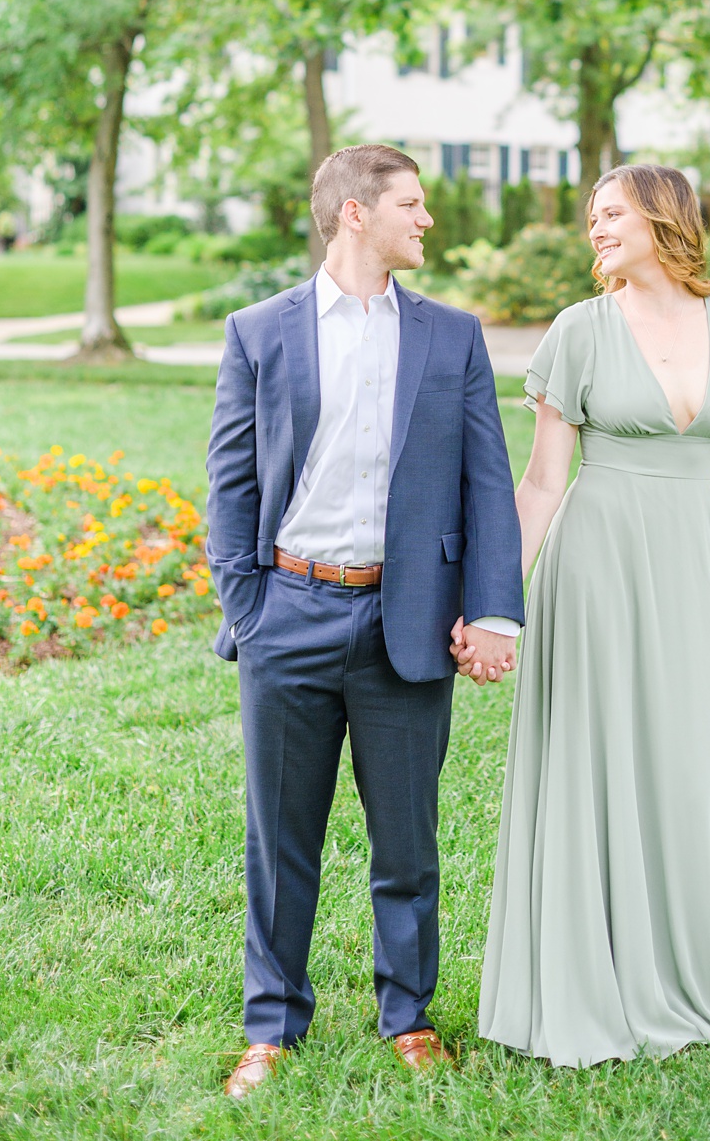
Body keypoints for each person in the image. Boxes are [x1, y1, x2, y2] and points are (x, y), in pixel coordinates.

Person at [204, 144, 524, 1098]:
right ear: (355, 213)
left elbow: (487, 483)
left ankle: (408, 1017)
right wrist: (248, 608)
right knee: (280, 838)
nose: (427, 221)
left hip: (408, 618)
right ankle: (272, 1027)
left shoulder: (451, 336)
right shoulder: (259, 332)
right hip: (288, 613)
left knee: (407, 840)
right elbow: (230, 482)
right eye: (412, 206)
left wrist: (493, 611)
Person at [479, 163, 710, 1067]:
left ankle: (685, 958)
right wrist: (499, 604)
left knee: (690, 762)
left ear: (662, 219)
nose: (594, 230)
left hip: (693, 569)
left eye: (609, 214)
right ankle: (591, 973)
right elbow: (541, 482)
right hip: (598, 567)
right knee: (597, 757)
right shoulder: (579, 330)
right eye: (590, 219)